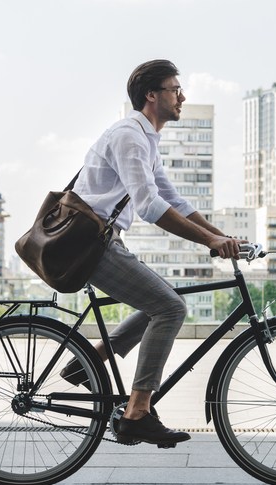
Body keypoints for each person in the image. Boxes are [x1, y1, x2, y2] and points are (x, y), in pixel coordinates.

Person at [59, 60, 243, 446]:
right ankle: (137, 412)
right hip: (91, 244)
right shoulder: (129, 135)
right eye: (175, 89)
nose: (182, 96)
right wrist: (209, 242)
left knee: (163, 300)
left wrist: (222, 237)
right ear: (152, 95)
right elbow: (148, 205)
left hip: (103, 239)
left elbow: (172, 198)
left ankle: (88, 363)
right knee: (170, 308)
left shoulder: (146, 139)